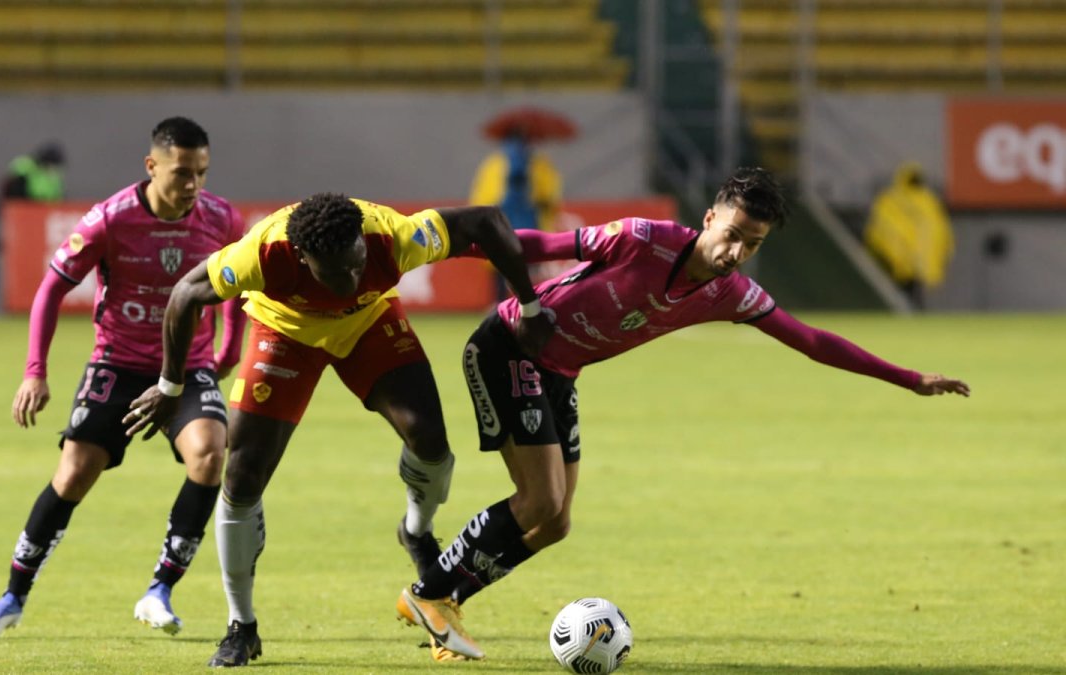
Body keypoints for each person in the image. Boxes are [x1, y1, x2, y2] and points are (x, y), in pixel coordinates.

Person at [395, 167, 972, 662]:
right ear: (710, 217)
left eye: (752, 244)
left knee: (555, 523)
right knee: (539, 501)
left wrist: (909, 378)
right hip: (508, 346)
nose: (737, 252)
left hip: (560, 373)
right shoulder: (644, 239)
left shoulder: (731, 293)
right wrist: (441, 245)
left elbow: (811, 340)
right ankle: (430, 592)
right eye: (733, 235)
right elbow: (539, 245)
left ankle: (440, 599)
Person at [123, 193, 554, 667]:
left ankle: (416, 531)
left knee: (430, 441)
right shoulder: (262, 254)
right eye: (335, 272)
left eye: (356, 264)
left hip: (367, 323)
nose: (350, 278)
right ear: (303, 258)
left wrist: (530, 309)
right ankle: (241, 626)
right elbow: (185, 293)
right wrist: (169, 385)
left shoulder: (392, 238)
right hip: (283, 333)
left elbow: (488, 221)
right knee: (242, 477)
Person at [0, 117, 247, 639]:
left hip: (188, 367)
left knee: (210, 454)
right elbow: (51, 289)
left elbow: (241, 284)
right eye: (182, 173)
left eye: (201, 174)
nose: (193, 187)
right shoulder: (109, 220)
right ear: (151, 165)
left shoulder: (221, 219)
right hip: (118, 363)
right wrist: (35, 372)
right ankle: (12, 598)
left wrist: (230, 347)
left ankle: (159, 589)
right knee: (74, 473)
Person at [470, 132, 563, 301]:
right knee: (529, 261)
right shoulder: (539, 164)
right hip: (528, 221)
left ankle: (498, 305)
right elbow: (549, 193)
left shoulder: (495, 164)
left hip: (501, 220)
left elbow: (484, 194)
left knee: (499, 261)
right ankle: (531, 305)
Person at [863, 161, 955, 310]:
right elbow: (940, 228)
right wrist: (946, 248)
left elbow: (880, 225)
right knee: (912, 287)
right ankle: (911, 310)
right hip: (916, 254)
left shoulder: (891, 199)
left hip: (897, 253)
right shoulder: (928, 201)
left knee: (907, 287)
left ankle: (907, 310)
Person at [1, 142, 67, 202]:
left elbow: (57, 197)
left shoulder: (55, 178)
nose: (52, 169)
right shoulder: (26, 166)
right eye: (51, 165)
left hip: (42, 207)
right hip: (22, 202)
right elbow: (10, 181)